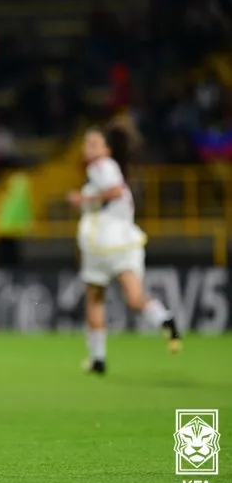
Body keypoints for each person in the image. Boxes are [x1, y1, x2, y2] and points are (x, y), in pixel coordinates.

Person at [67, 127, 182, 375]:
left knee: (94, 299)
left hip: (102, 245)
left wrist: (81, 200)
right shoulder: (110, 169)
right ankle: (164, 318)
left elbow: (115, 190)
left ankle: (98, 358)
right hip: (126, 243)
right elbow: (118, 193)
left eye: (94, 144)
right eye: (87, 143)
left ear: (107, 150)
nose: (88, 148)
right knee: (134, 298)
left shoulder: (101, 167)